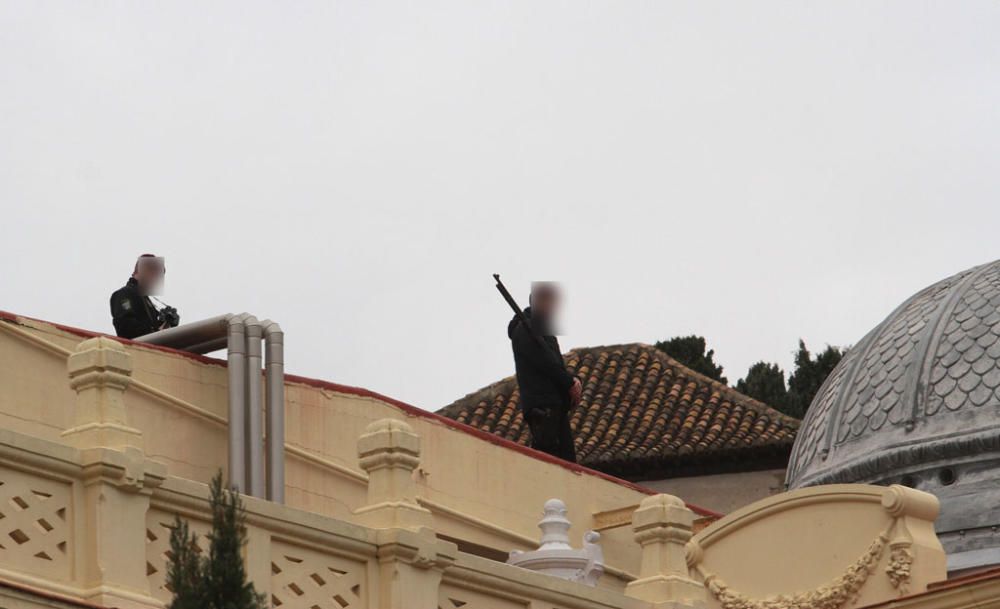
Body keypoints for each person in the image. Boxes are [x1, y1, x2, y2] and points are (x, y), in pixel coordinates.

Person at [508, 282, 582, 462]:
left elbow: (553, 362)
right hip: (544, 406)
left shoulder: (537, 328)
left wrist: (570, 381)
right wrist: (569, 383)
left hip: (553, 404)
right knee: (550, 460)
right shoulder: (526, 329)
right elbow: (546, 362)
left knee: (566, 462)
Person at [110, 254, 172, 339]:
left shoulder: (146, 302)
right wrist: (155, 331)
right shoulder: (124, 294)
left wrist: (166, 323)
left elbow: (157, 330)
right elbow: (125, 327)